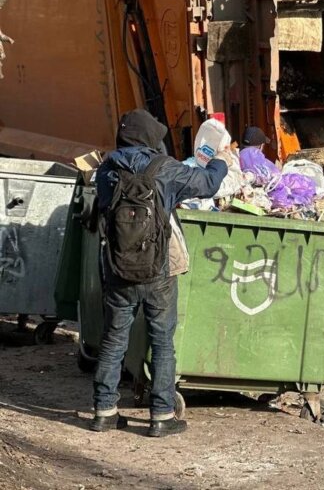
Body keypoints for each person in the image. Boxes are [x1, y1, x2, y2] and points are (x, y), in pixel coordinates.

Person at [91, 109, 227, 436]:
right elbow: (208, 185)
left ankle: (104, 411)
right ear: (151, 137)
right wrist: (220, 160)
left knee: (114, 337)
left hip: (118, 268)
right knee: (163, 341)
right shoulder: (165, 169)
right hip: (158, 270)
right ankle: (161, 415)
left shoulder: (106, 170)